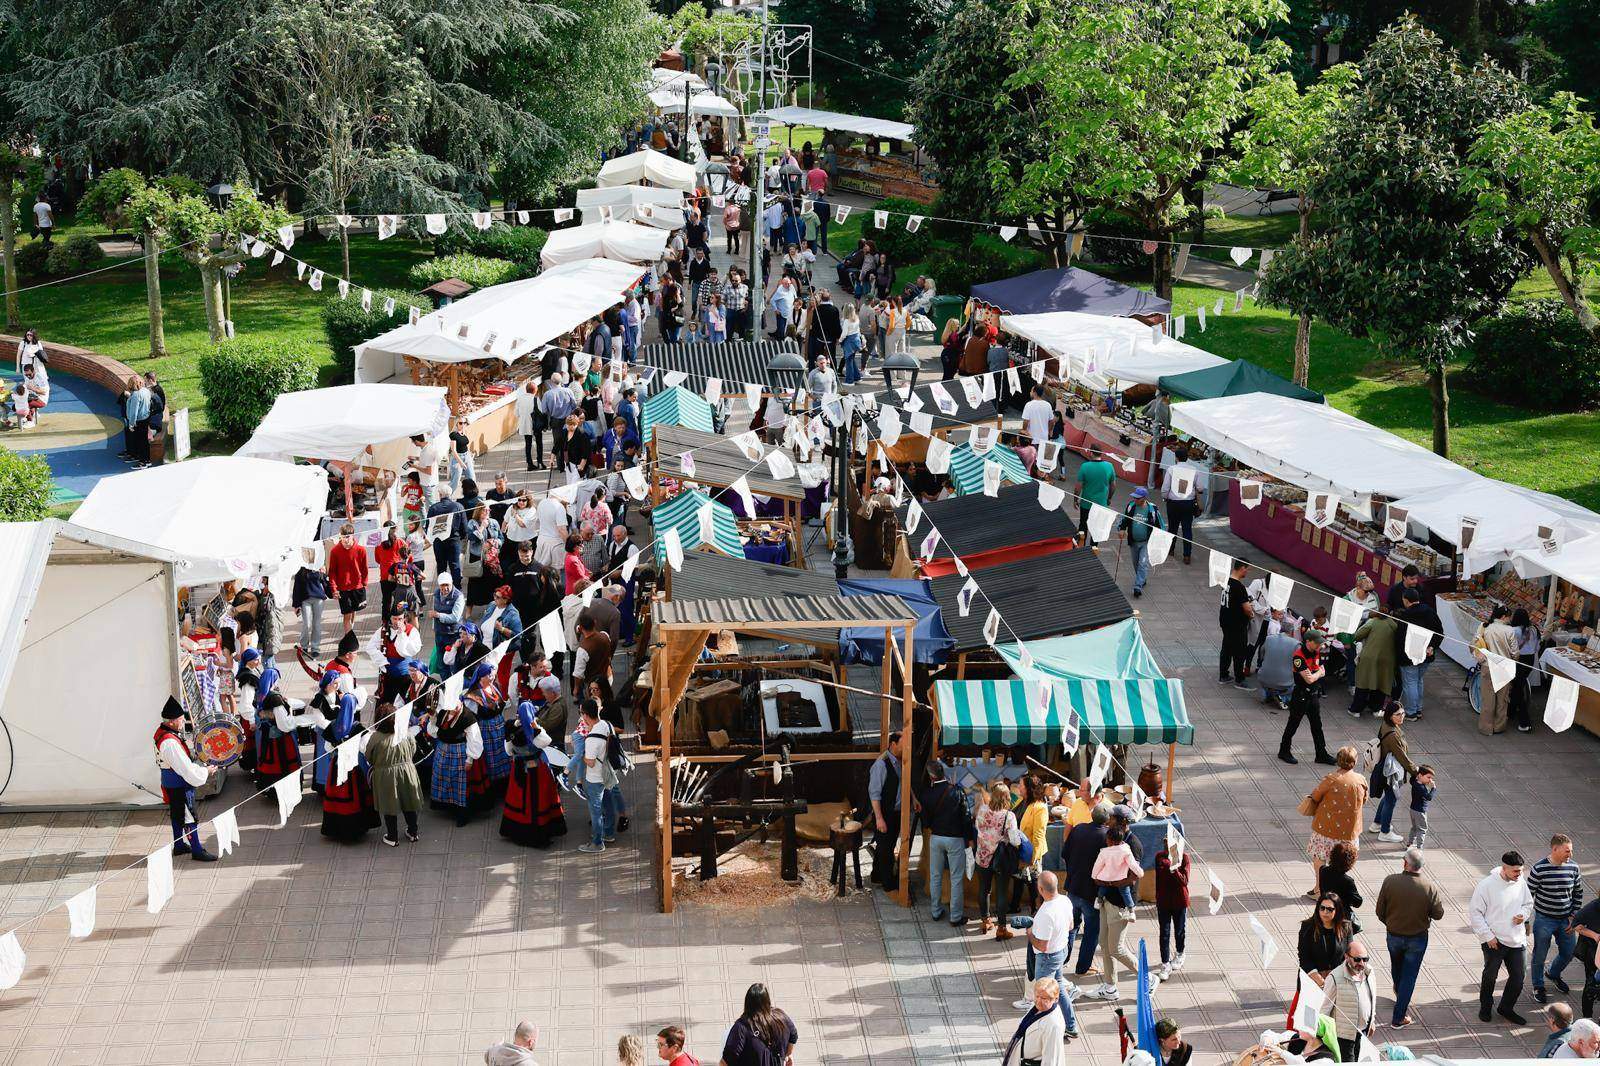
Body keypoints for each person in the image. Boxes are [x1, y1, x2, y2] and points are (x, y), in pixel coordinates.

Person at [1374, 846, 1446, 1027]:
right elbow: (1438, 914)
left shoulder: (1390, 881)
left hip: (1394, 935)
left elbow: (1379, 911)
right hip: (1417, 937)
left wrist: (1391, 923)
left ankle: (1400, 994)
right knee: (1409, 976)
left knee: (1397, 966)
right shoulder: (1429, 886)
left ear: (1405, 863)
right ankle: (1399, 1017)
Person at [1470, 849, 1535, 1024]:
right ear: (1504, 868)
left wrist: (1523, 914)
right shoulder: (1486, 885)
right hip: (1494, 941)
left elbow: (1528, 903)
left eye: (1521, 871)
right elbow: (1475, 913)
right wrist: (1488, 936)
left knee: (1519, 976)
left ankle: (1506, 1008)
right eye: (1515, 871)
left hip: (1516, 939)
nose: (1519, 874)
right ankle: (1485, 1006)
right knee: (1490, 976)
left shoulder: (1520, 881)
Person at [154, 697, 219, 861]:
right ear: (172, 721)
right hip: (179, 783)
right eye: (181, 719)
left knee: (177, 814)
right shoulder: (170, 743)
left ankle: (179, 845)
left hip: (170, 781)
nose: (183, 722)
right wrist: (205, 771)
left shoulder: (164, 733)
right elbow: (186, 769)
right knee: (189, 816)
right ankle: (197, 850)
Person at [500, 698, 568, 847]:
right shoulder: (535, 731)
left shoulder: (510, 728)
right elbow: (546, 741)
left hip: (519, 769)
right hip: (537, 770)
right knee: (539, 800)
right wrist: (535, 726)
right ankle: (539, 833)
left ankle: (517, 830)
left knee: (519, 799)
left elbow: (509, 751)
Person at [1302, 747, 1367, 898]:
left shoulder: (1331, 779)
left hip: (1326, 827)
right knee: (1343, 861)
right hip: (1350, 829)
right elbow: (1364, 799)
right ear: (1355, 761)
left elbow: (1315, 796)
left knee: (1320, 858)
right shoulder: (1361, 780)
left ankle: (1319, 889)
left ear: (1338, 761)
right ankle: (1337, 889)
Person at [918, 760, 974, 926]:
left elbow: (926, 822)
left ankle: (936, 911)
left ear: (931, 776)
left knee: (935, 876)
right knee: (956, 878)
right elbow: (966, 818)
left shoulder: (926, 794)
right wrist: (969, 838)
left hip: (936, 838)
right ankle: (955, 916)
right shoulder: (956, 791)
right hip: (955, 839)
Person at [1026, 872, 1082, 1038]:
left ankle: (1041, 1029)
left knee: (1043, 995)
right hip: (1061, 951)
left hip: (1047, 958)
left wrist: (1030, 934)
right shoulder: (1065, 900)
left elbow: (1042, 946)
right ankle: (1070, 1025)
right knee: (1059, 989)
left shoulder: (1045, 913)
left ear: (1040, 888)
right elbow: (1071, 925)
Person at [1531, 833, 1584, 1006]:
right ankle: (1538, 986)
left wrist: (1573, 917)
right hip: (1544, 919)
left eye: (1571, 851)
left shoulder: (1574, 868)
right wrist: (1524, 917)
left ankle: (1553, 974)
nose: (1570, 855)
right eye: (1567, 851)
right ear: (1554, 849)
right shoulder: (1539, 869)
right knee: (1539, 955)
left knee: (1569, 952)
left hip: (1566, 920)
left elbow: (1578, 893)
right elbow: (1527, 895)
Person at [366, 702, 423, 846]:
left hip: (386, 775)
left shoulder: (375, 737)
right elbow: (413, 749)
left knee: (389, 805)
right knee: (409, 802)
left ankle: (392, 837)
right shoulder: (405, 733)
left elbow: (369, 757)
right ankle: (413, 832)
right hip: (407, 771)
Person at [1062, 802, 1110, 970]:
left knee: (1070, 927)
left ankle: (1061, 961)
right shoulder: (1106, 837)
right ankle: (1082, 968)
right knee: (1091, 931)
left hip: (1073, 887)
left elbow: (1064, 853)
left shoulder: (1079, 829)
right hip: (1091, 893)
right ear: (1107, 820)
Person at [1278, 629, 1332, 765]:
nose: (1320, 645)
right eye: (1317, 643)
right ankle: (1284, 751)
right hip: (1301, 696)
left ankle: (1321, 754)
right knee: (1293, 724)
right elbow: (1309, 679)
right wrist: (1319, 673)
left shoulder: (1316, 651)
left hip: (1313, 695)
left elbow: (1316, 672)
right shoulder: (1299, 657)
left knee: (1317, 726)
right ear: (1308, 642)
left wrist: (1316, 674)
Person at [975, 780, 1020, 938]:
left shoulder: (982, 809)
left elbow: (977, 827)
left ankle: (985, 920)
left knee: (984, 889)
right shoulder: (1009, 816)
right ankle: (1001, 928)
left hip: (982, 855)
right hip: (1000, 859)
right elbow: (1015, 840)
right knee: (1001, 893)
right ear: (1007, 797)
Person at [1321, 940, 1379, 1060]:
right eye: (1357, 959)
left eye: (1365, 959)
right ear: (1347, 957)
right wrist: (1322, 1036)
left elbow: (1372, 998)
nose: (1361, 963)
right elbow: (1324, 1009)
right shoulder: (1335, 978)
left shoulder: (1369, 972)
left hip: (1363, 1032)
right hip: (1344, 1036)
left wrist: (1372, 1020)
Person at [578, 699, 623, 854]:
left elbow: (590, 762)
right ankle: (609, 833)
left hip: (595, 778)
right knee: (608, 804)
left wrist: (582, 754)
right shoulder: (605, 724)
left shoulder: (591, 739)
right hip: (607, 774)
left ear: (585, 714)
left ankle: (597, 842)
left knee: (596, 811)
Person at [1369, 701, 1417, 842]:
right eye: (1397, 714)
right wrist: (1416, 771)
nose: (1401, 716)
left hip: (1385, 768)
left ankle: (1377, 823)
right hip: (1391, 772)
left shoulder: (1386, 725)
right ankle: (1385, 831)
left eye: (1403, 713)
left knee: (1388, 797)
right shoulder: (1393, 735)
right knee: (1391, 799)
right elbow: (1402, 757)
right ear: (1390, 716)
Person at [720, 983, 798, 1066]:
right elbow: (793, 1036)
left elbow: (725, 1062)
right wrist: (788, 1054)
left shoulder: (742, 1027)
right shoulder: (780, 1017)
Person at [1396, 588, 1443, 721]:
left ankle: (1411, 711)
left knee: (1410, 682)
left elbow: (1400, 638)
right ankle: (1418, 708)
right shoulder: (1430, 612)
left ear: (1406, 600)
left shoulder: (1406, 616)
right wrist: (1432, 646)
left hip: (1409, 656)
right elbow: (1439, 631)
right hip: (1426, 655)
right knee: (1418, 680)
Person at [1474, 604, 1521, 736]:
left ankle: (1485, 726)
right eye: (1508, 617)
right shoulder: (1509, 631)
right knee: (1503, 698)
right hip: (1504, 668)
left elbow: (1475, 643)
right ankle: (1499, 726)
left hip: (1487, 667)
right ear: (1504, 617)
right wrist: (1513, 660)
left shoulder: (1485, 627)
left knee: (1487, 697)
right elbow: (1515, 652)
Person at [1001, 977, 1067, 1066]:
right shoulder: (1036, 1007)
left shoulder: (1054, 1025)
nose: (1038, 1001)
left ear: (1055, 999)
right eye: (1037, 996)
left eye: (1044, 998)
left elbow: (1052, 1059)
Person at [868, 732, 902, 892]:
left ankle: (876, 875)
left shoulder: (899, 762)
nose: (906, 747)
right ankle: (889, 884)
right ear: (893, 744)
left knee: (886, 845)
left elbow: (903, 783)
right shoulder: (881, 765)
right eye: (903, 744)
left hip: (895, 812)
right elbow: (874, 794)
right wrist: (879, 818)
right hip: (885, 813)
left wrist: (913, 799)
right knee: (886, 848)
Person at [1348, 611, 1399, 719]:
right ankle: (1376, 708)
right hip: (1387, 659)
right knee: (1381, 684)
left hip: (1369, 658)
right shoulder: (1394, 625)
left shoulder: (1372, 622)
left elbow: (1358, 635)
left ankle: (1356, 710)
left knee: (1363, 683)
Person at [1154, 837, 1191, 979]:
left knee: (1179, 929)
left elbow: (1185, 881)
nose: (1165, 848)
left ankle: (1180, 953)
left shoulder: (1184, 858)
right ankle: (1165, 963)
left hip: (1179, 900)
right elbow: (1159, 877)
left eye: (1168, 845)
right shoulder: (1159, 857)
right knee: (1164, 932)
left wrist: (1174, 868)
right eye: (1164, 845)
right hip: (1163, 900)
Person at [1119, 487, 1165, 599]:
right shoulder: (1131, 506)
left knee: (1142, 563)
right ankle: (1142, 579)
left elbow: (1159, 524)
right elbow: (1124, 519)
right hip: (1133, 541)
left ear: (1144, 498)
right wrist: (1121, 529)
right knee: (1135, 563)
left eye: (1137, 498)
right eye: (1134, 497)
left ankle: (1138, 586)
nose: (1134, 499)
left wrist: (1161, 537)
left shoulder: (1152, 509)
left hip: (1146, 542)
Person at [1300, 892, 1354, 985]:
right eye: (1322, 908)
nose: (1325, 912)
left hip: (1337, 979)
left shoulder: (1346, 927)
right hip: (1313, 980)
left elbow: (1349, 954)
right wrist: (1317, 978)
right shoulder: (1308, 926)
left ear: (1337, 910)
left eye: (1330, 909)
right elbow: (1304, 956)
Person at [1160, 445, 1203, 564]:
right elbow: (1200, 487)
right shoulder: (1194, 470)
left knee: (1172, 527)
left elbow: (1165, 488)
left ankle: (1171, 549)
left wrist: (1165, 497)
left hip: (1173, 503)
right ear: (1187, 457)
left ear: (1176, 458)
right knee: (1187, 529)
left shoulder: (1171, 469)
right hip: (1188, 503)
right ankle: (1187, 555)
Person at [326, 522, 369, 632]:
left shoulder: (361, 550)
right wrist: (334, 589)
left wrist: (364, 582)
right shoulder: (335, 551)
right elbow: (332, 572)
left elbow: (364, 568)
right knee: (346, 615)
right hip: (343, 588)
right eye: (343, 537)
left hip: (357, 586)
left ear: (353, 535)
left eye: (347, 537)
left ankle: (351, 631)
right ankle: (348, 638)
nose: (345, 540)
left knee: (354, 610)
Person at [1220, 559, 1256, 689]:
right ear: (1242, 568)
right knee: (1239, 651)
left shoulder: (1226, 581)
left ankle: (1223, 675)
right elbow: (1246, 608)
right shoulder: (1239, 587)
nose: (1248, 571)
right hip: (1237, 623)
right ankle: (1239, 679)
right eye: (1247, 569)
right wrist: (1251, 613)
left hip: (1225, 620)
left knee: (1227, 647)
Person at [1074, 448, 1116, 545]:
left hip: (1086, 503)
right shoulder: (1109, 466)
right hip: (1101, 504)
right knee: (1096, 528)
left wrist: (1075, 499)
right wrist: (1109, 498)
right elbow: (1113, 485)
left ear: (1092, 453)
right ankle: (1093, 549)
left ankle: (1081, 546)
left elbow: (1078, 486)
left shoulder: (1085, 466)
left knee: (1083, 524)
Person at [1318, 841, 1364, 930]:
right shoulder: (1347, 881)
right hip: (1340, 917)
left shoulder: (1323, 870)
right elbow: (1358, 902)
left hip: (1323, 912)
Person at [1510, 607, 1541, 733]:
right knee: (1519, 684)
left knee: (1517, 689)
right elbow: (1537, 647)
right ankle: (1510, 711)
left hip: (1519, 659)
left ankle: (1524, 721)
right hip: (1530, 660)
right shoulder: (1534, 629)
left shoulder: (1515, 631)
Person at [1406, 764, 1436, 850]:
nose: (1430, 780)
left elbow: (1412, 778)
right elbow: (1429, 797)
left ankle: (1410, 843)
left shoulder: (1414, 782)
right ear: (1420, 775)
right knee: (1422, 829)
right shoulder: (1421, 788)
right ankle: (1419, 847)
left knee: (1414, 827)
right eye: (1428, 777)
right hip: (1420, 811)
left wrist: (1416, 770)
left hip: (1413, 810)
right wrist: (1433, 788)